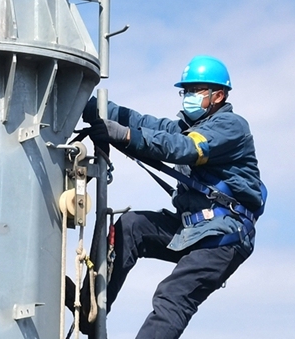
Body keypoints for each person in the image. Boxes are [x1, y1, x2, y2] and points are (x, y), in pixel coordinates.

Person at [80, 55, 265, 338]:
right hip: (192, 230)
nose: (188, 97)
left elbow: (184, 148)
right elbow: (144, 123)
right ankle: (89, 311)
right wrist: (84, 103)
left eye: (196, 91)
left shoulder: (230, 127)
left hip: (222, 237)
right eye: (186, 91)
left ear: (218, 96)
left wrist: (127, 136)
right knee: (131, 227)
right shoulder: (189, 127)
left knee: (173, 295)